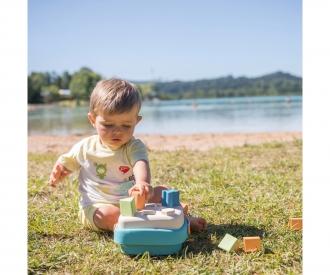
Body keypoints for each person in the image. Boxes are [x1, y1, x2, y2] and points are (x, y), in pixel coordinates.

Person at [49, 78, 207, 233]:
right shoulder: (85, 147)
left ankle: (183, 220)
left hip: (134, 201)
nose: (117, 131)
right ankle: (136, 227)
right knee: (109, 215)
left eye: (126, 125)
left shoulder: (133, 146)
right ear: (92, 119)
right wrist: (60, 171)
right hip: (97, 205)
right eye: (108, 125)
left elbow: (140, 163)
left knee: (162, 192)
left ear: (136, 121)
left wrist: (142, 183)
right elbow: (66, 163)